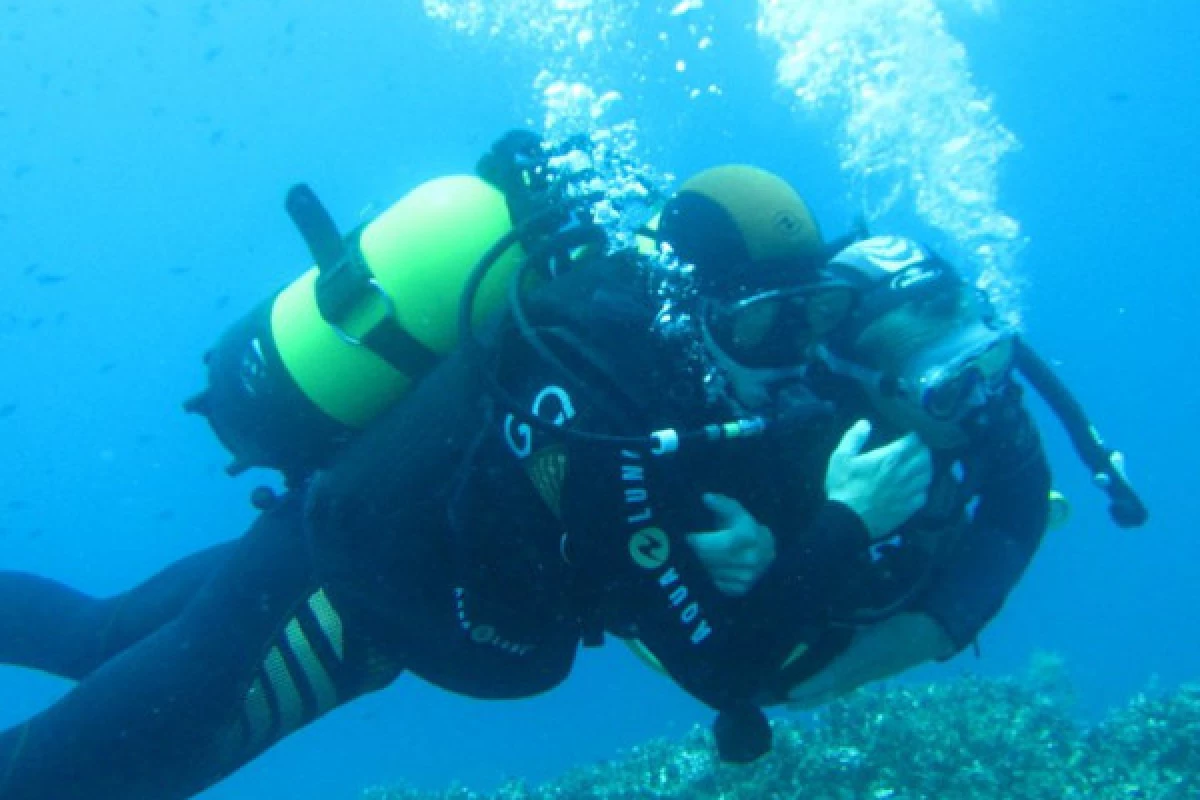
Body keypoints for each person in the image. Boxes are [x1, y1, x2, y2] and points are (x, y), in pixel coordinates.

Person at [0, 131, 1145, 798]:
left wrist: (918, 603)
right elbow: (735, 668)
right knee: (89, 774)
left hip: (435, 559)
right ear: (700, 311)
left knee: (99, 633)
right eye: (756, 334)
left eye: (798, 327)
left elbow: (999, 489)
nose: (780, 364)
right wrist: (838, 527)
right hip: (353, 577)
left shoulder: (837, 362)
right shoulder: (603, 396)